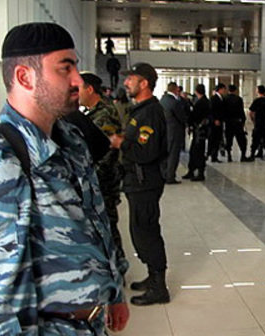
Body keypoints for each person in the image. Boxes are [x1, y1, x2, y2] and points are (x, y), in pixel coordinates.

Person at [0, 22, 129, 335]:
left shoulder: (70, 140)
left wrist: (114, 291)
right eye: (65, 68)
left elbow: (96, 223)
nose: (77, 80)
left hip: (89, 324)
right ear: (24, 77)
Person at [110, 62, 170, 305]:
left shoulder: (150, 113)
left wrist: (120, 144)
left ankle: (159, 288)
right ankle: (152, 277)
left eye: (130, 78)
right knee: (140, 231)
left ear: (144, 83)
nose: (126, 82)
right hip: (136, 180)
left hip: (145, 182)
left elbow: (146, 153)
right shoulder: (140, 110)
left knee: (147, 232)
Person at [78, 72, 129, 275]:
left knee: (107, 222)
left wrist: (93, 176)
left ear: (90, 89)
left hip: (104, 179)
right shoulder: (92, 112)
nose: (77, 93)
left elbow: (107, 150)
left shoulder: (104, 113)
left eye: (80, 89)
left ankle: (119, 265)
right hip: (99, 177)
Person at [160, 82, 188, 184]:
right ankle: (170, 176)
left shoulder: (162, 100)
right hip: (175, 132)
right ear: (175, 89)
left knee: (165, 154)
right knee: (173, 155)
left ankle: (164, 174)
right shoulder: (174, 102)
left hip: (165, 131)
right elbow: (181, 117)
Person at [183, 84, 211, 181]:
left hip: (200, 130)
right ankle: (192, 170)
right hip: (201, 130)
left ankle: (200, 173)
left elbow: (194, 115)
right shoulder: (205, 101)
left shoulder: (201, 103)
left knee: (198, 151)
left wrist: (189, 122)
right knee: (194, 151)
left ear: (196, 91)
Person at [225, 84, 250, 162]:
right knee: (242, 140)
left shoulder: (225, 99)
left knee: (229, 140)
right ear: (235, 90)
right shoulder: (239, 99)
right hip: (237, 122)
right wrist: (243, 121)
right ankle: (243, 156)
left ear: (228, 90)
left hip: (228, 122)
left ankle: (229, 155)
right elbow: (241, 111)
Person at [248, 85, 265, 160]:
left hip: (259, 122)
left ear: (258, 91)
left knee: (256, 138)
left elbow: (250, 112)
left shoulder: (257, 100)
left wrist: (253, 120)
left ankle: (252, 154)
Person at [208, 83, 227, 162]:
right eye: (223, 89)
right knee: (214, 139)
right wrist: (215, 119)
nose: (224, 91)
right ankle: (213, 156)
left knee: (218, 139)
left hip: (220, 121)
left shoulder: (222, 98)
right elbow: (211, 111)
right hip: (215, 122)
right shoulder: (213, 98)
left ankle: (214, 155)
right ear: (220, 89)